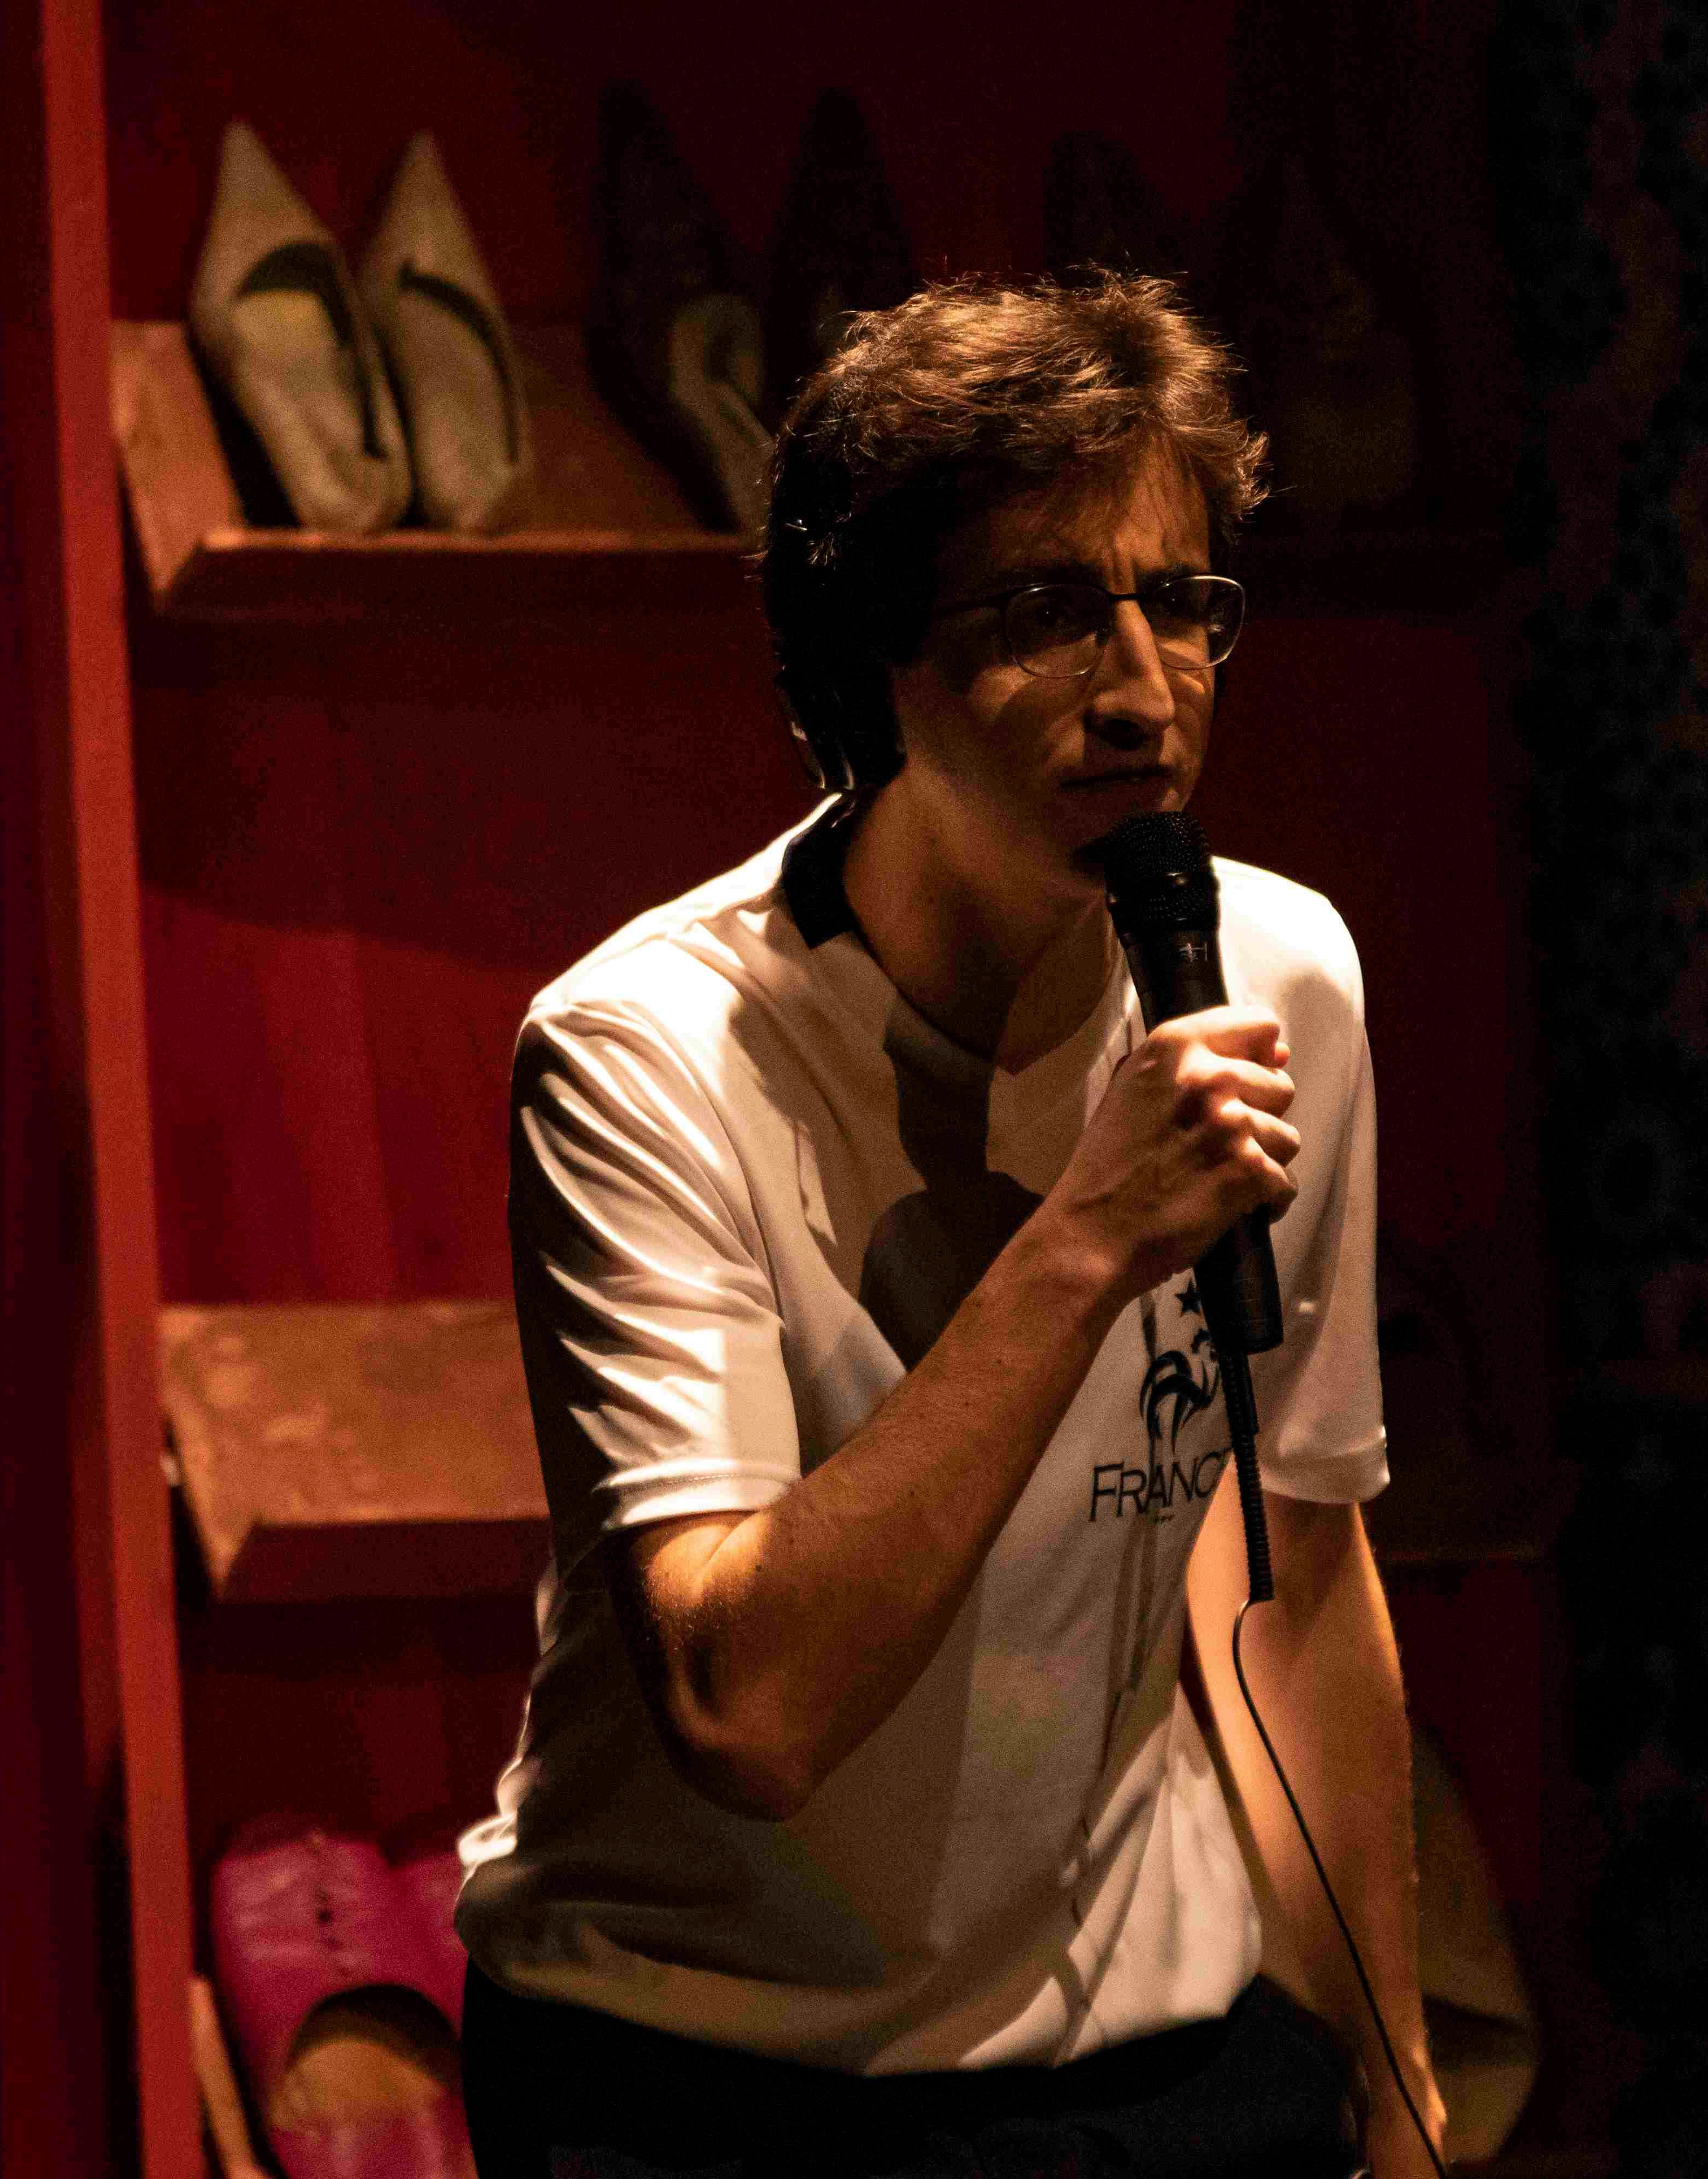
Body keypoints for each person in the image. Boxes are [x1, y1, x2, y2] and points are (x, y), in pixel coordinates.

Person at [454, 274, 1444, 2178]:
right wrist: (1084, 1240)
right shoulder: (648, 1053)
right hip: (706, 2074)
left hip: (1137, 2055)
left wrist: (1400, 2093)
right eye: (1048, 612)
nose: (1142, 690)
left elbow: (1301, 1567)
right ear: (875, 664)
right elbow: (745, 1711)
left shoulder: (1278, 977)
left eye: (1181, 601)